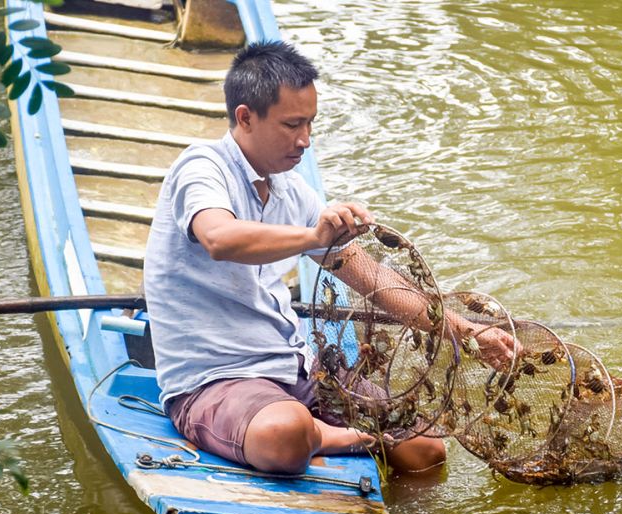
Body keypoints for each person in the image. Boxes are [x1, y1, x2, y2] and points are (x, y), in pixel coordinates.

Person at [144, 41, 515, 475]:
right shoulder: (202, 167)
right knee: (285, 434)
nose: (305, 140)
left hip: (293, 365)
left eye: (310, 124)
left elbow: (373, 279)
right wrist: (311, 236)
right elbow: (219, 237)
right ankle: (333, 437)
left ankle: (373, 494)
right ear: (245, 117)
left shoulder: (289, 188)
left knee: (425, 450)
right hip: (216, 379)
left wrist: (467, 332)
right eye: (291, 124)